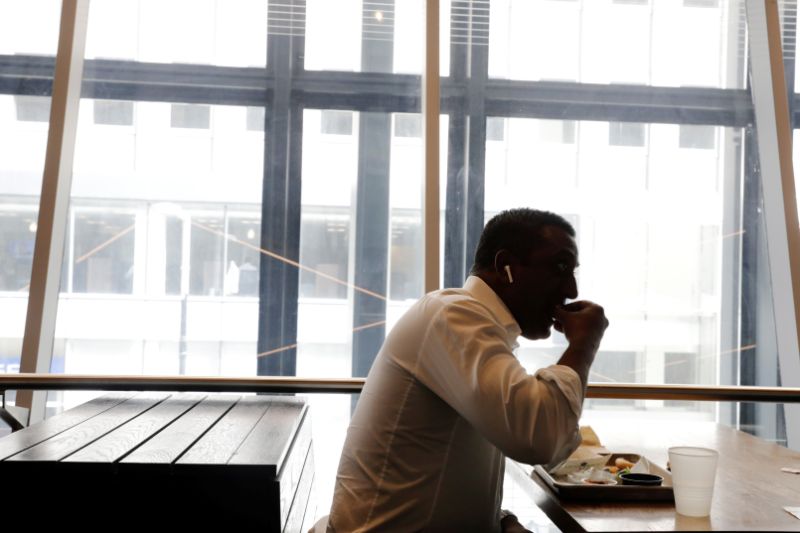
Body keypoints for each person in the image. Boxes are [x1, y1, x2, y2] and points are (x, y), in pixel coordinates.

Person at [326, 208, 608, 532]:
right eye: (560, 267)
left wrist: (503, 521)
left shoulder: (470, 327)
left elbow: (446, 470)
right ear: (506, 268)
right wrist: (583, 345)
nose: (571, 290)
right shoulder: (452, 316)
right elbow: (539, 439)